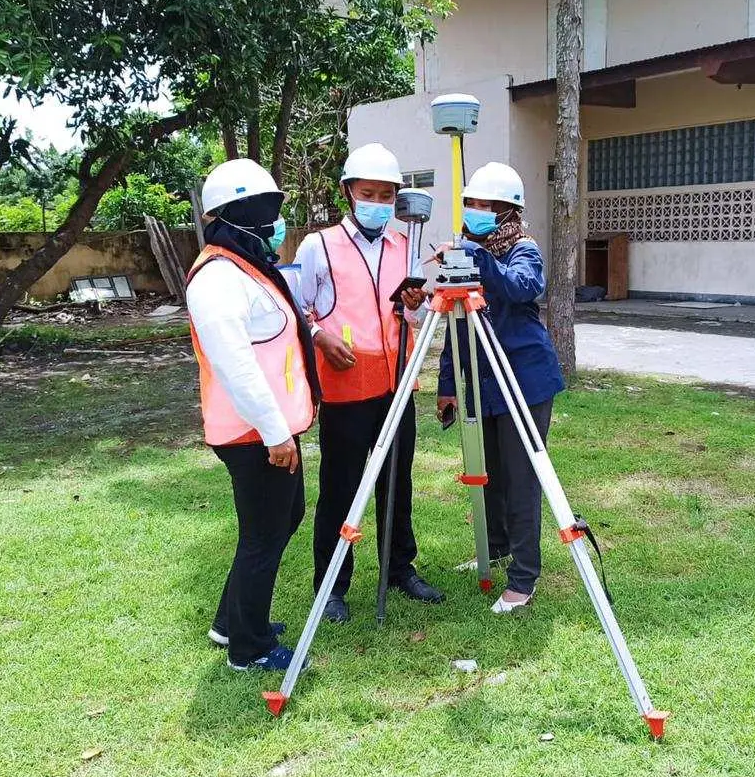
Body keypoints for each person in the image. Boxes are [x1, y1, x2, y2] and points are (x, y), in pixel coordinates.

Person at [294, 143, 443, 623]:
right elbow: (297, 307)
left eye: (386, 194)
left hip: (397, 386)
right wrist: (319, 337)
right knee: (341, 488)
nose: (377, 201)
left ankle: (400, 568)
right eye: (368, 193)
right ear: (347, 193)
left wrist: (417, 300)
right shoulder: (318, 246)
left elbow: (414, 310)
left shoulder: (407, 247)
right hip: (345, 388)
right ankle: (332, 584)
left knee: (397, 483)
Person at [185, 159, 320, 671]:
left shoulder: (246, 268)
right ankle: (250, 648)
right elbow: (236, 366)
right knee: (263, 536)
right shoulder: (217, 278)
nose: (274, 222)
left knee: (284, 519)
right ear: (235, 216)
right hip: (254, 434)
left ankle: (233, 621)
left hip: (274, 428)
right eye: (265, 211)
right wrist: (273, 433)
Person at [436, 162, 565, 613]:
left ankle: (524, 577)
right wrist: (448, 385)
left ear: (508, 210)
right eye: (470, 204)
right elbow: (456, 324)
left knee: (521, 477)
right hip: (484, 382)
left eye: (484, 206)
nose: (474, 213)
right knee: (489, 472)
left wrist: (479, 260)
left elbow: (522, 287)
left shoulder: (522, 251)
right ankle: (495, 548)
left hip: (524, 383)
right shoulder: (467, 255)